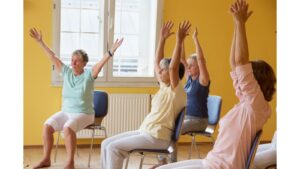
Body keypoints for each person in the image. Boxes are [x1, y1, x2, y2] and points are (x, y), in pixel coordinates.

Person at [157, 0, 276, 168]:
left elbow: (241, 62)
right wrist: (236, 24)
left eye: (247, 74)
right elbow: (235, 64)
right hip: (211, 161)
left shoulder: (256, 105)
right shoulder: (247, 103)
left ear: (255, 82)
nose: (242, 75)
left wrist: (241, 24)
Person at [99, 21, 189, 169]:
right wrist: (162, 38)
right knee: (106, 144)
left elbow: (173, 68)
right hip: (146, 131)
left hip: (158, 137)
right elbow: (157, 61)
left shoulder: (176, 90)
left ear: (174, 74)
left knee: (114, 148)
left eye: (163, 70)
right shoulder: (164, 86)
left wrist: (179, 41)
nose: (159, 72)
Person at [29, 28, 123, 169]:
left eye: (77, 61)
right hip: (66, 112)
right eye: (72, 60)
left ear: (84, 64)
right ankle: (46, 159)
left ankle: (70, 163)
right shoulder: (67, 72)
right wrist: (40, 42)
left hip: (85, 113)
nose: (73, 63)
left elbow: (101, 63)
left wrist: (111, 51)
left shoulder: (88, 76)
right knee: (47, 126)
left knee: (67, 127)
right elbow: (52, 57)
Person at [152, 27, 211, 168]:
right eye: (188, 66)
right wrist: (182, 40)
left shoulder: (203, 80)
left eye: (192, 66)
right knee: (166, 127)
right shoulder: (189, 78)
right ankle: (162, 161)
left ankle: (172, 163)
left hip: (199, 120)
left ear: (199, 67)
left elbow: (202, 60)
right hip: (187, 117)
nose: (188, 68)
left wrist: (195, 39)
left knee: (174, 130)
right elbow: (182, 60)